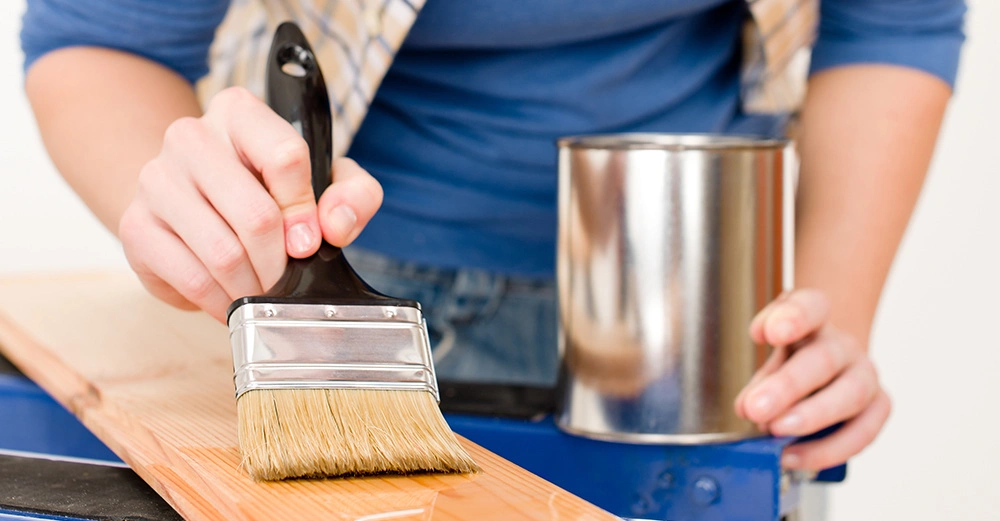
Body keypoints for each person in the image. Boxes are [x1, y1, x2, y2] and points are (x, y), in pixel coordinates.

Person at [19, 0, 965, 477]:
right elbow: (107, 35)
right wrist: (201, 222)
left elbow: (894, 22)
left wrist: (822, 319)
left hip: (703, 321)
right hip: (380, 291)